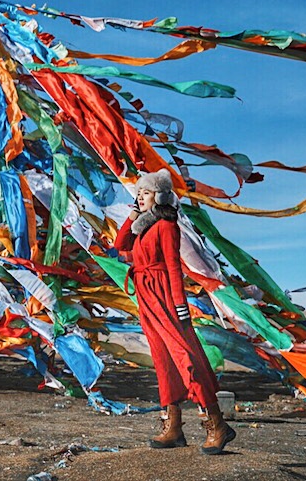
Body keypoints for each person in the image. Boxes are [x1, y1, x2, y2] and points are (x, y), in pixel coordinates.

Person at [113, 169, 235, 455]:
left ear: (160, 195)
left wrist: (180, 305)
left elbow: (173, 267)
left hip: (165, 298)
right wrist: (132, 217)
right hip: (146, 298)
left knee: (184, 358)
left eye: (146, 192)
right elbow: (119, 246)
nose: (140, 197)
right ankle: (174, 427)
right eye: (139, 192)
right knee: (162, 360)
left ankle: (217, 424)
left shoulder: (168, 226)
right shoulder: (142, 227)